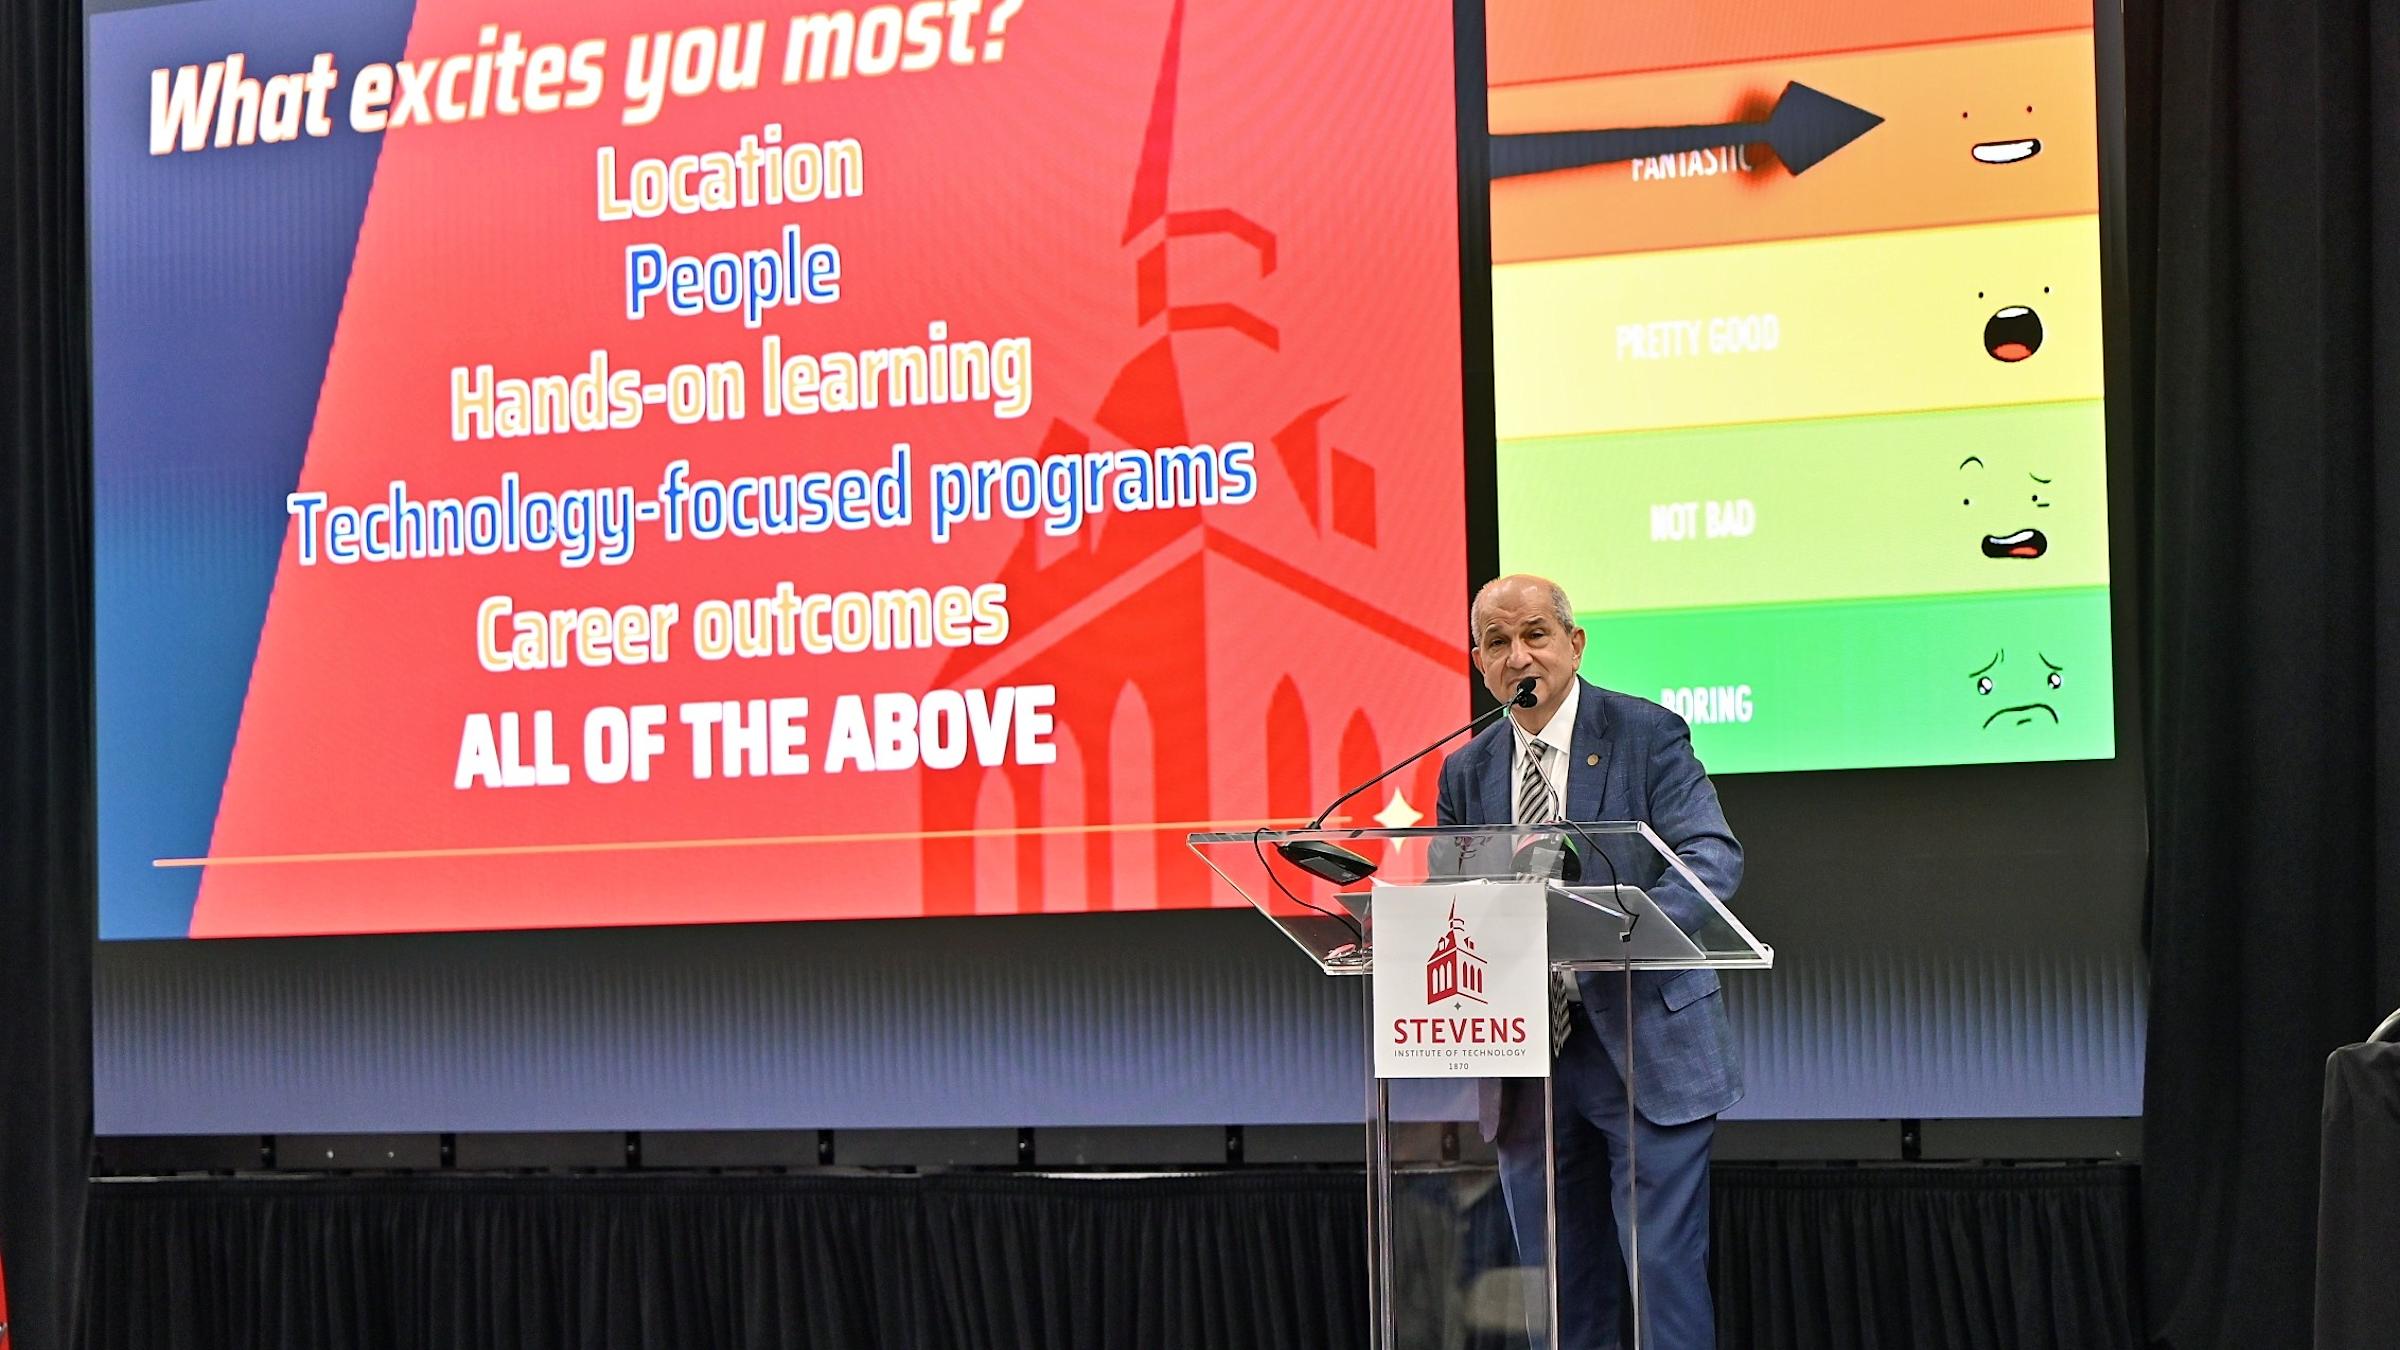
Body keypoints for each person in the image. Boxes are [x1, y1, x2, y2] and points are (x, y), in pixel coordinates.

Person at [1434, 574, 1742, 1350]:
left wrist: (1620, 932)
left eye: (1535, 633)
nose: (1518, 655)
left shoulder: (1645, 733)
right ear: (1479, 662)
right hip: (1526, 1056)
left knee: (1662, 1273)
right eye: (1497, 643)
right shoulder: (1465, 771)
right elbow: (1452, 897)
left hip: (1644, 1040)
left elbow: (1710, 857)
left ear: (1575, 644)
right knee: (1561, 1291)